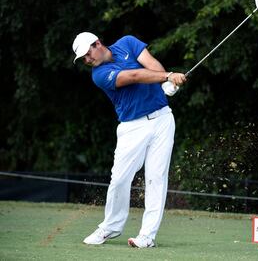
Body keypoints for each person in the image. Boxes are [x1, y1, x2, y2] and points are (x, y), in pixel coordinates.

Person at [72, 32, 186, 248]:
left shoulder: (127, 43)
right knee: (120, 179)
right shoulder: (99, 75)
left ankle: (147, 236)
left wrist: (166, 82)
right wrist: (168, 76)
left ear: (97, 43)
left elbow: (151, 64)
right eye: (83, 59)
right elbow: (133, 76)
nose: (87, 60)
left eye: (88, 54)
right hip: (132, 127)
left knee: (156, 178)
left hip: (162, 119)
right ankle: (110, 227)